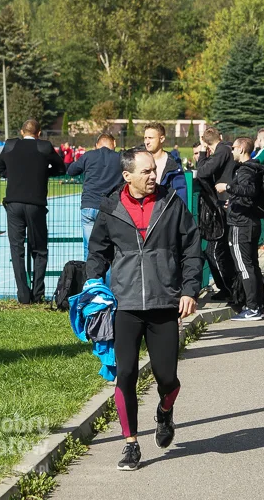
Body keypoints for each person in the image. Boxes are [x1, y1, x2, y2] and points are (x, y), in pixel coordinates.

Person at [87, 148, 202, 471]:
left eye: (155, 170)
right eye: (147, 172)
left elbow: (192, 248)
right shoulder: (110, 208)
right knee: (125, 374)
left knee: (168, 378)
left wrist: (189, 290)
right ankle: (130, 444)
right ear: (128, 177)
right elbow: (97, 251)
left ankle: (165, 412)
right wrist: (93, 285)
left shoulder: (171, 204)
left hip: (164, 301)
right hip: (124, 305)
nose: (154, 176)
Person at [0, 119, 66, 304]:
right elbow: (61, 168)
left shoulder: (10, 145)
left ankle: (23, 294)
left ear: (21, 131)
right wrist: (43, 173)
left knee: (16, 249)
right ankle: (38, 293)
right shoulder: (44, 147)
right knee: (39, 249)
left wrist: (14, 174)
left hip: (14, 203)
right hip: (36, 204)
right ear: (39, 133)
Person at [216, 137, 264, 321]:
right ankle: (258, 304)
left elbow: (249, 191)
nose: (231, 151)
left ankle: (253, 308)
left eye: (234, 148)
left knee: (244, 267)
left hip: (241, 224)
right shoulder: (254, 168)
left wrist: (227, 187)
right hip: (251, 221)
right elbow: (248, 197)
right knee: (252, 265)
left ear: (242, 149)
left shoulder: (245, 170)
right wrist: (233, 202)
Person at [194, 128, 238, 304]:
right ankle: (227, 289)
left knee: (215, 251)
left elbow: (202, 171)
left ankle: (229, 290)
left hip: (224, 206)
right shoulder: (224, 150)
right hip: (223, 206)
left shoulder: (222, 151)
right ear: (220, 136)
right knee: (222, 251)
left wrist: (203, 150)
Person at [67, 133, 123, 258]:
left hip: (89, 204)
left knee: (89, 247)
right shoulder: (120, 158)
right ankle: (108, 276)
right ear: (114, 144)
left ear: (97, 145)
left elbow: (71, 171)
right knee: (109, 248)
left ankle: (90, 276)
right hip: (110, 207)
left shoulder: (89, 155)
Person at [143, 123, 187, 205]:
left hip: (165, 212)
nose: (147, 142)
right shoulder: (139, 161)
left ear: (162, 139)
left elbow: (181, 196)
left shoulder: (173, 165)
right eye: (145, 138)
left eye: (150, 138)